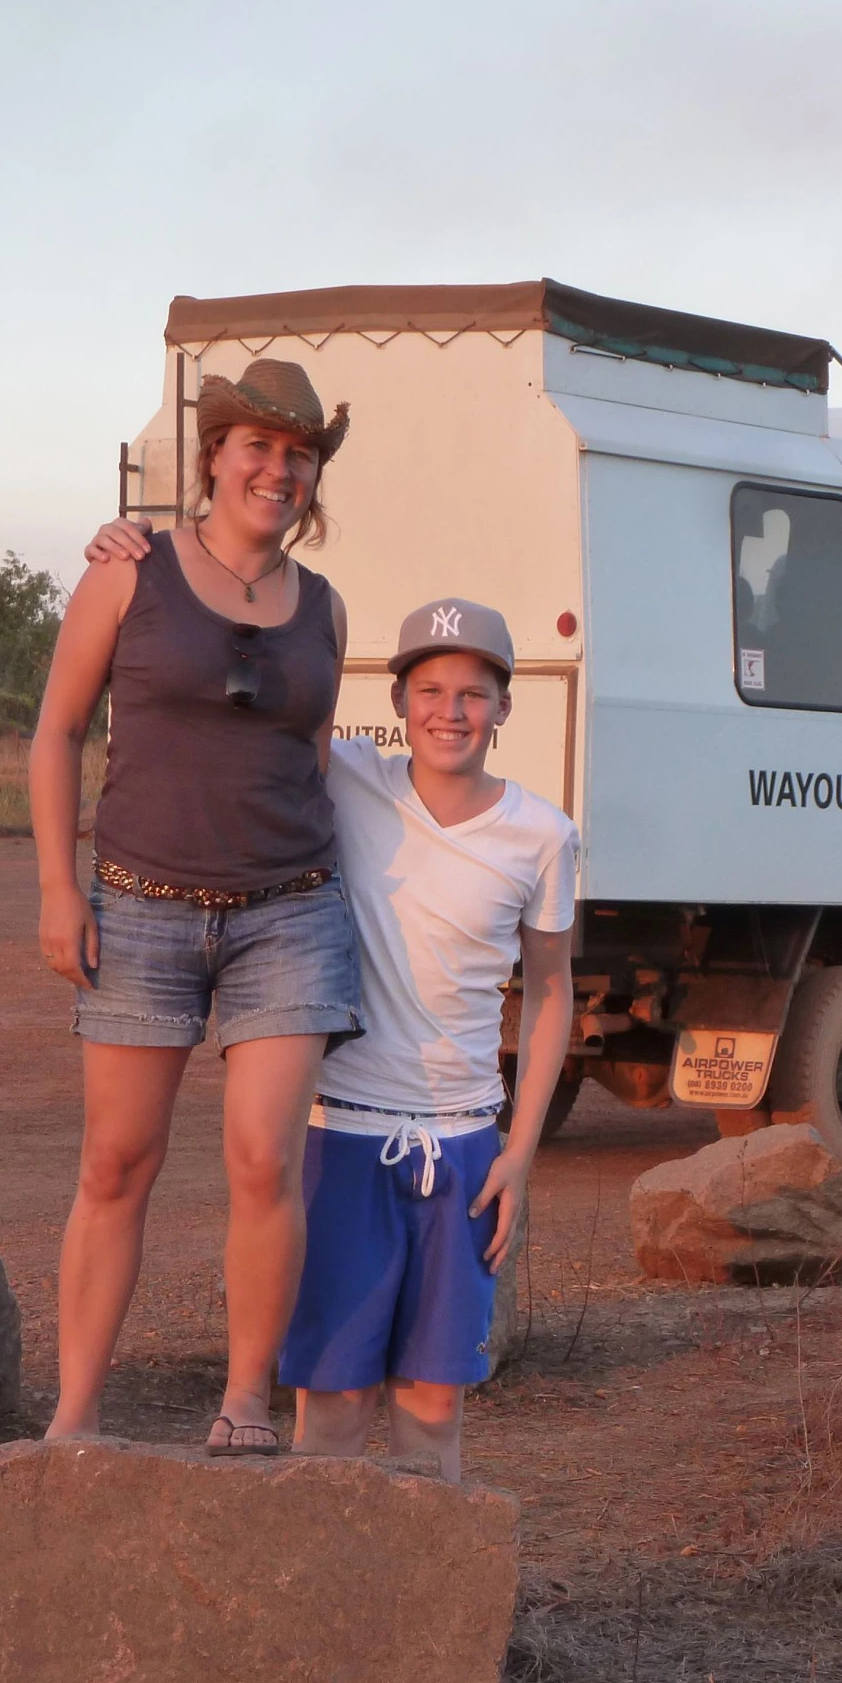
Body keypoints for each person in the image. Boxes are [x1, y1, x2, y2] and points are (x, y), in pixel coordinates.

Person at [32, 357, 360, 1458]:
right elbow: (56, 733)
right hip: (140, 908)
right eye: (257, 446)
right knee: (115, 1162)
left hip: (290, 911)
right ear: (214, 456)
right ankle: (76, 1417)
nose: (277, 469)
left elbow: (312, 756)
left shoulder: (323, 606)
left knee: (265, 1161)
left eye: (298, 455)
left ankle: (246, 1408)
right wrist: (54, 888)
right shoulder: (131, 571)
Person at [280, 598, 575, 1482]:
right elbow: (260, 713)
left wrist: (519, 1154)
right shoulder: (345, 780)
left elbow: (552, 990)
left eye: (475, 694)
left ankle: (422, 1615)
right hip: (342, 1136)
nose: (451, 711)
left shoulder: (542, 834)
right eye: (431, 689)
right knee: (330, 1404)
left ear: (505, 708)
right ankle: (319, 1610)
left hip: (462, 1148)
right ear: (399, 698)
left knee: (433, 1405)